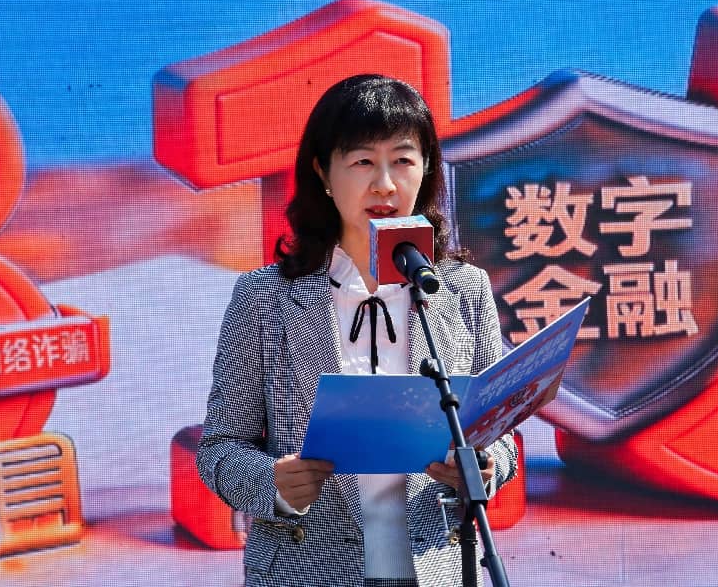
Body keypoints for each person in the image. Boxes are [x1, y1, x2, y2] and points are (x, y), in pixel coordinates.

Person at [197, 74, 518, 587]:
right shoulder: (264, 297)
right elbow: (220, 447)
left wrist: (483, 467)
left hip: (436, 565)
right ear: (323, 171)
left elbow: (500, 437)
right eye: (363, 161)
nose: (384, 184)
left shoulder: (463, 289)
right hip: (307, 567)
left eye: (403, 160)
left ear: (427, 168)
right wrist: (272, 483)